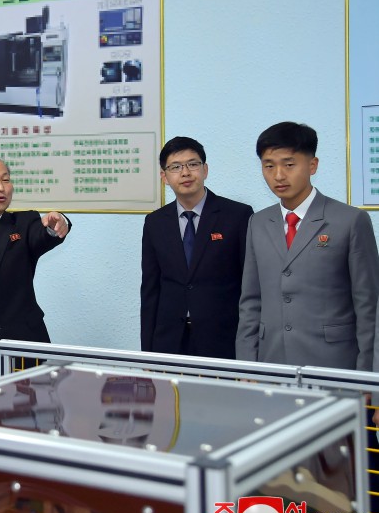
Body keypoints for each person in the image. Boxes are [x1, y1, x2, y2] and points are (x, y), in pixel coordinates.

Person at [237, 122, 379, 371]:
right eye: (269, 165)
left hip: (334, 366)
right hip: (272, 366)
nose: (278, 175)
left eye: (289, 164)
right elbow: (251, 301)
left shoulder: (350, 221)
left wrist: (371, 378)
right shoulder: (258, 223)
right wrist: (247, 366)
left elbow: (369, 306)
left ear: (312, 165)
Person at [141, 137, 253, 359]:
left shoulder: (238, 216)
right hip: (169, 341)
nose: (185, 173)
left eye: (193, 164)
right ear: (164, 177)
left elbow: (249, 286)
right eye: (175, 167)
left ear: (205, 170)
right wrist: (148, 354)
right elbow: (150, 291)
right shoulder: (155, 223)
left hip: (222, 341)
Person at [0, 155, 70, 351]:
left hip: (26, 342)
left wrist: (58, 224)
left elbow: (44, 235)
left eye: (6, 179)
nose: (1, 187)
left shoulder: (25, 223)